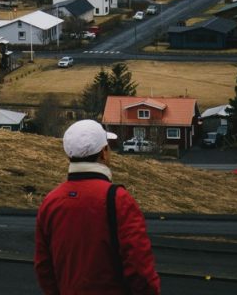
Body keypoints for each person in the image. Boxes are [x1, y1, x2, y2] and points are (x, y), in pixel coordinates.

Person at [35, 119, 160, 295]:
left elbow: (44, 267)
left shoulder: (51, 201)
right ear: (104, 153)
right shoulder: (119, 200)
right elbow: (138, 266)